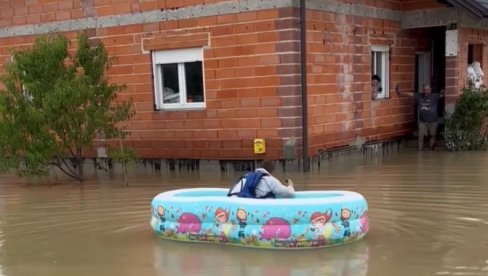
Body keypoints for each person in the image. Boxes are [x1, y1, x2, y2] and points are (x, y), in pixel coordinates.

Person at [396, 84, 444, 150]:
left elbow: (444, 95)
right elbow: (410, 94)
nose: (426, 91)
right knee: (420, 137)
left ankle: (431, 150)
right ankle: (420, 151)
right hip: (422, 121)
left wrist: (444, 90)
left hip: (433, 121)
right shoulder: (419, 96)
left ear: (430, 90)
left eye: (427, 90)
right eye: (424, 90)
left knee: (433, 136)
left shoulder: (435, 96)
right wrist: (400, 92)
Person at [227, 160, 295, 199]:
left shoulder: (247, 176)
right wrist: (290, 184)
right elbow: (290, 193)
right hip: (246, 204)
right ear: (272, 171)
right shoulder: (270, 180)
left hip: (233, 200)